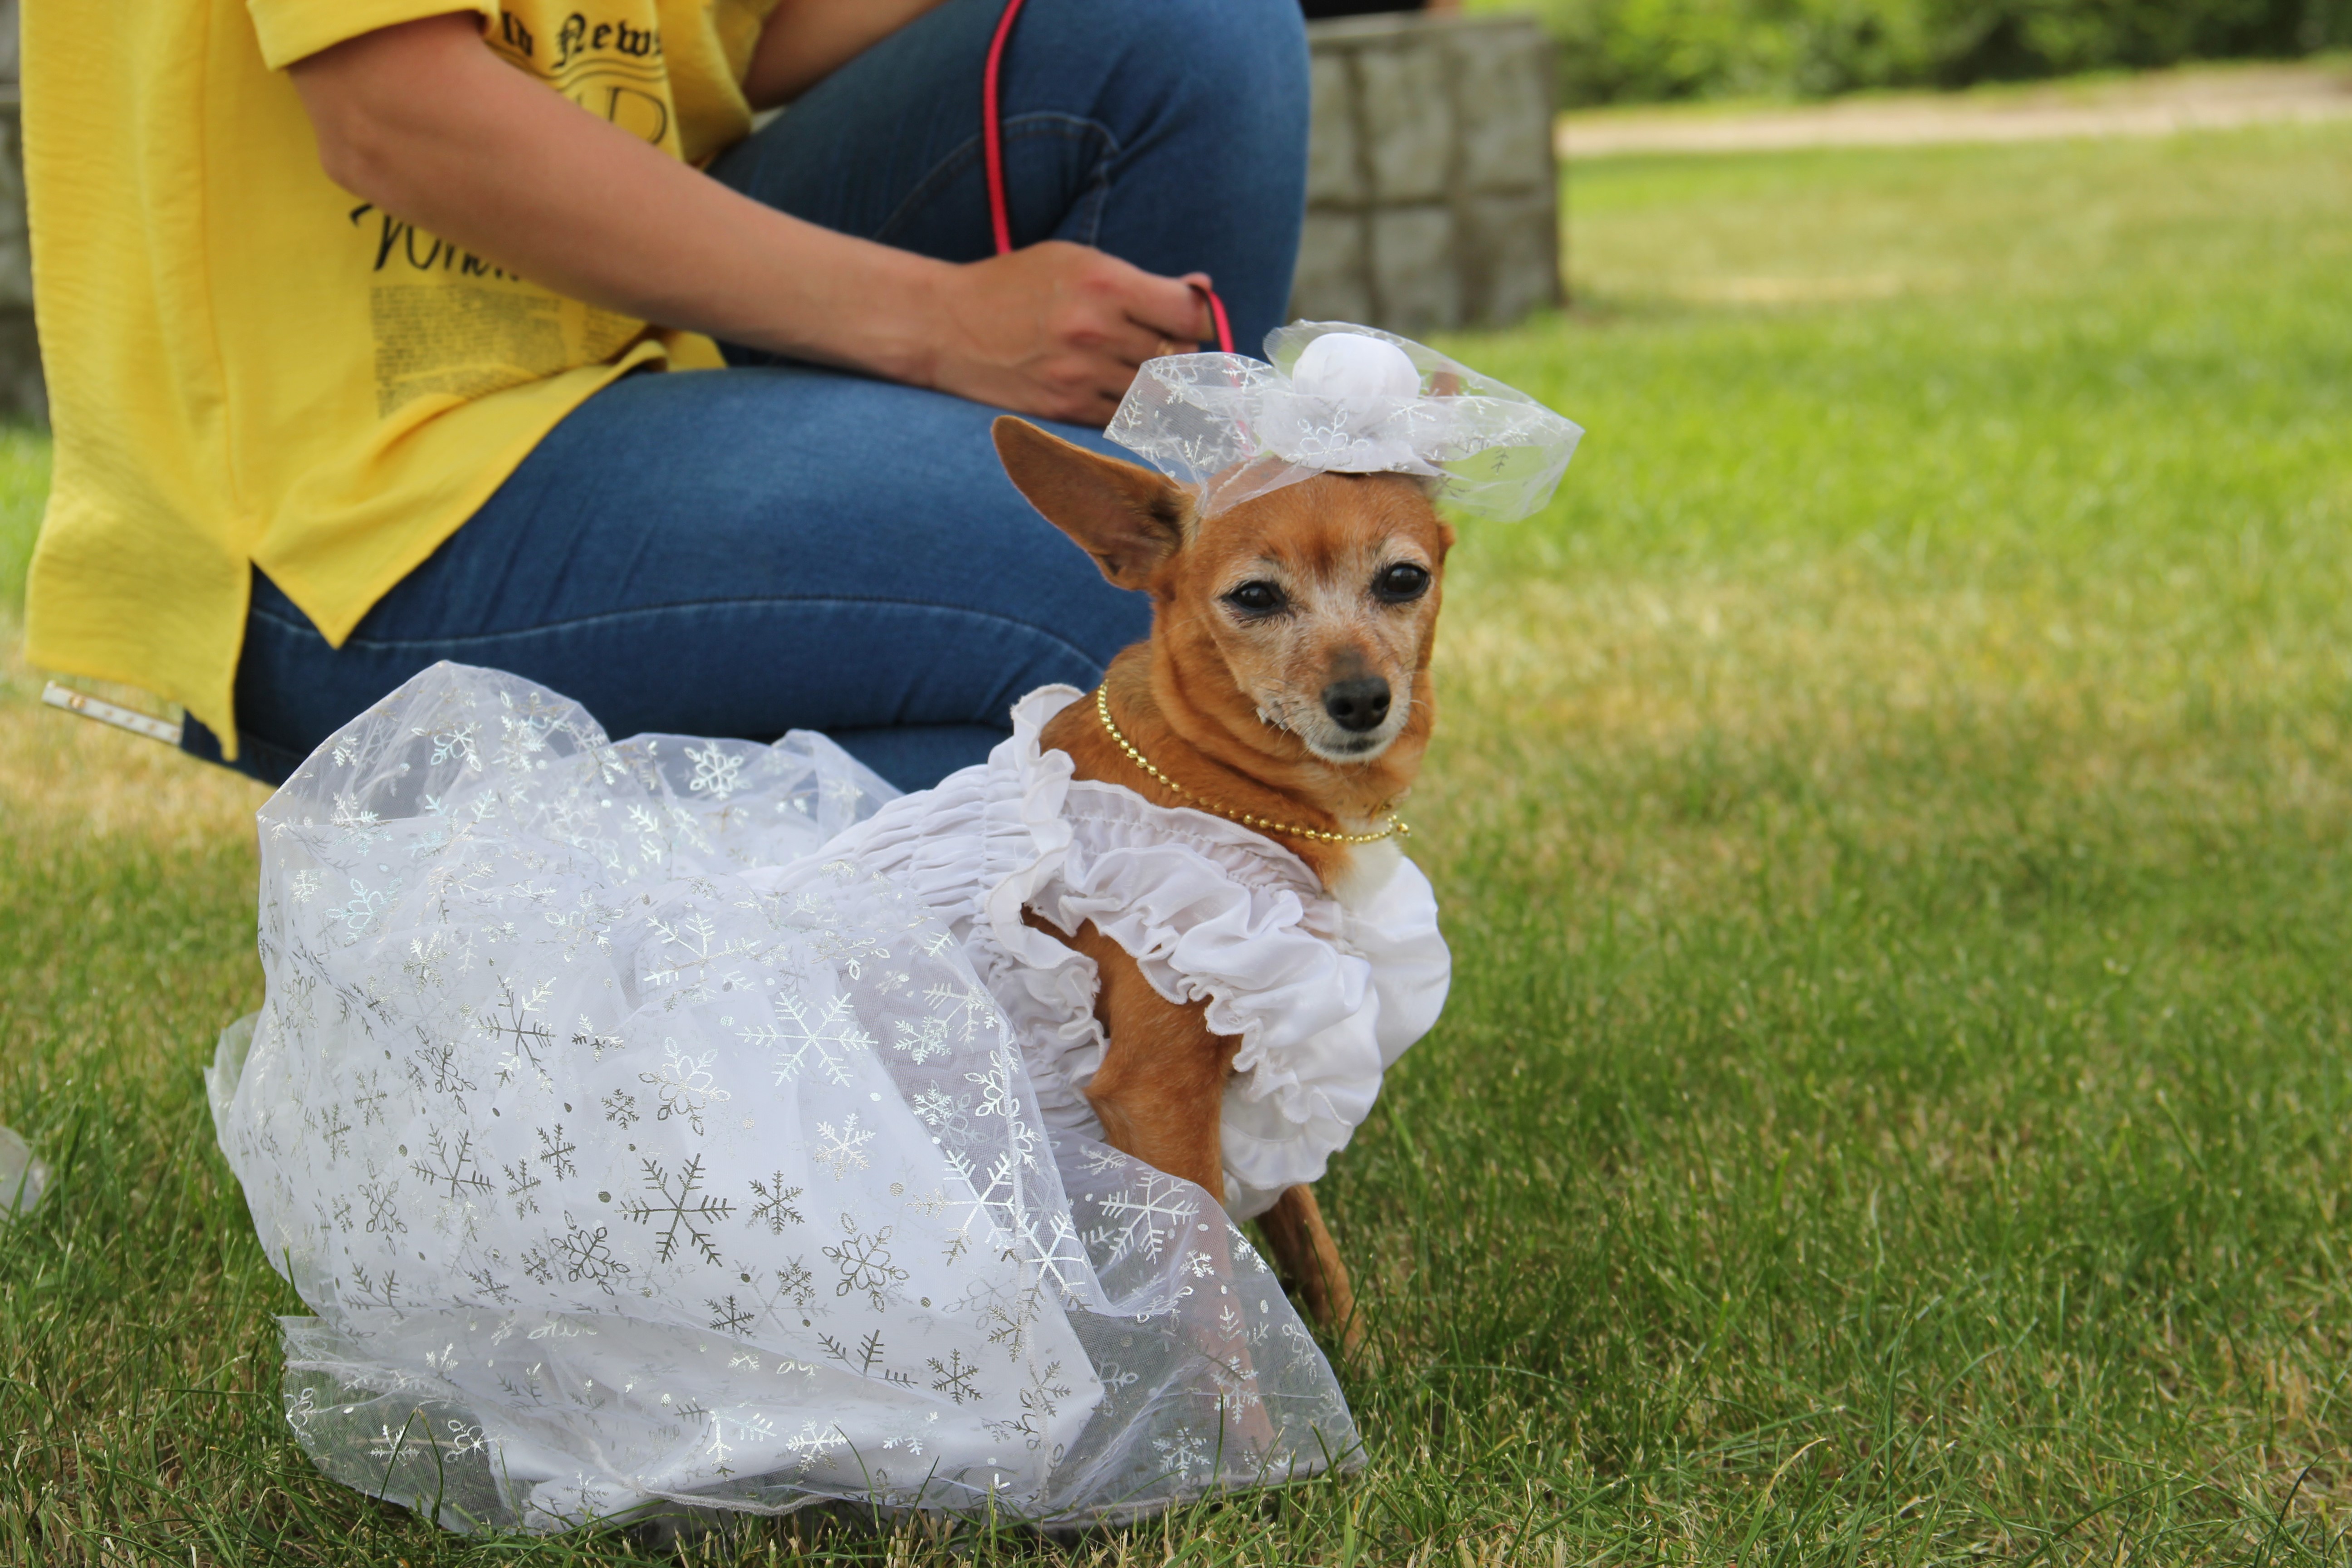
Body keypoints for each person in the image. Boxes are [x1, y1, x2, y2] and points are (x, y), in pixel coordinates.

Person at [20, 0, 1310, 790]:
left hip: (634, 350)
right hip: (344, 505)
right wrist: (938, 324)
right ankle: (494, 957)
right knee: (1141, 604)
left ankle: (1169, 878)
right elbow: (392, 113)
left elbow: (733, 36)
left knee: (1189, 24)